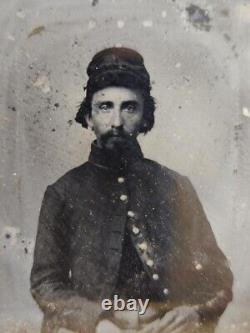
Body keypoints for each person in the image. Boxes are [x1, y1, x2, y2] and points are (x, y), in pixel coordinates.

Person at [30, 47, 233, 333]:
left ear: (145, 118)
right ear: (88, 117)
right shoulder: (62, 193)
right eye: (104, 107)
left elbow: (216, 276)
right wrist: (96, 320)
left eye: (129, 107)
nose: (116, 121)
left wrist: (193, 313)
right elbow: (45, 284)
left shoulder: (176, 186)